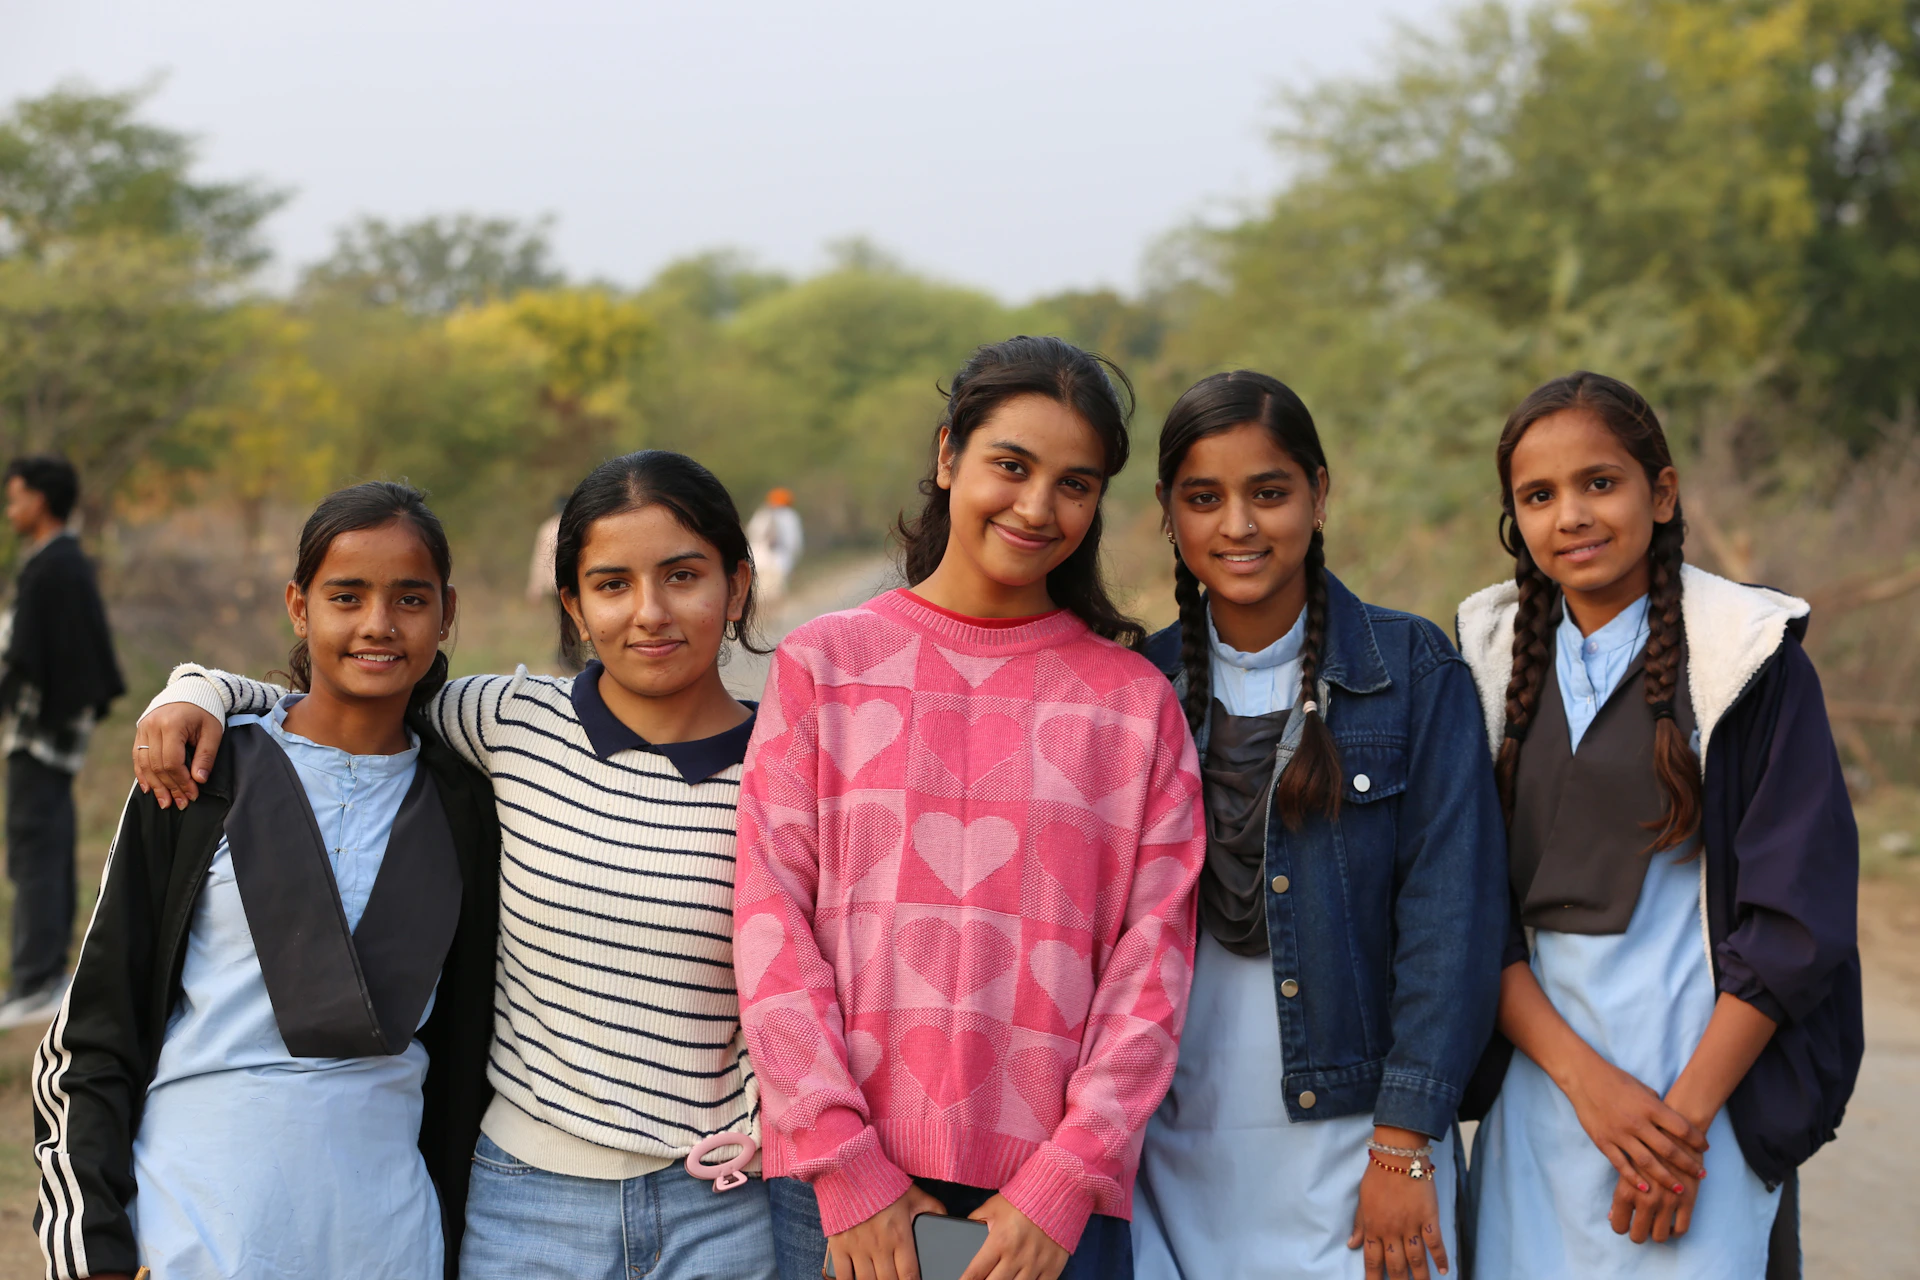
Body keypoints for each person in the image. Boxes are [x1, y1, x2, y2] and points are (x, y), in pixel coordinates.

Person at [132, 452, 780, 1280]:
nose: (649, 613)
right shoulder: (509, 722)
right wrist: (198, 691)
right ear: (574, 607)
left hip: (722, 1203)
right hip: (528, 1201)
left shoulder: (795, 760)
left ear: (739, 583)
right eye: (612, 584)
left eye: (683, 576)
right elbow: (348, 688)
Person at [734, 335, 1206, 1280]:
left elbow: (1153, 963)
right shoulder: (826, 664)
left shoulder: (1130, 703)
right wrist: (847, 1166)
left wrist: (1065, 1183)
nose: (1038, 507)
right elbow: (770, 920)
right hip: (845, 1204)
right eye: (1011, 466)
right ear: (949, 457)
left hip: (1047, 1223)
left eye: (1075, 484)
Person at [32, 481, 501, 1280]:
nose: (378, 624)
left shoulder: (469, 804)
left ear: (447, 612)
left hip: (386, 1240)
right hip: (188, 1227)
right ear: (299, 605)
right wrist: (96, 1251)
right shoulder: (204, 775)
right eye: (345, 596)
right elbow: (97, 1031)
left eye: (410, 598)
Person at [1457, 372, 1861, 1279]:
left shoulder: (1746, 657)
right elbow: (1468, 917)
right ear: (1515, 518)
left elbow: (1796, 922)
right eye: (1539, 495)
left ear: (1662, 492)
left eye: (1601, 482)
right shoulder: (1483, 664)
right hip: (1544, 1096)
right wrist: (1593, 1094)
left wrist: (1677, 1129)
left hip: (1704, 1097)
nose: (1572, 515)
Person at [1130, 371, 1506, 1280]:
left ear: (1319, 492)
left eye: (1269, 493)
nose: (1239, 527)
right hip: (1167, 1152)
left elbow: (1452, 924)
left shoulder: (1413, 671)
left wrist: (1405, 1142)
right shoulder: (1133, 690)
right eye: (1204, 498)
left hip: (1356, 1152)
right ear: (1169, 513)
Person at [0, 455, 124, 1030]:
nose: (11, 509)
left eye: (17, 497)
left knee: (34, 849)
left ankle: (36, 982)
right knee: (46, 843)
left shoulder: (52, 565)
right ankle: (45, 974)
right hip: (54, 732)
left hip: (40, 735)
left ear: (41, 501)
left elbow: (25, 656)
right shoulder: (64, 561)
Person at [746, 488, 803, 605]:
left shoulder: (762, 514)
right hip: (778, 563)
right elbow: (794, 543)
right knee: (776, 597)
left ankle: (765, 621)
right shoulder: (789, 516)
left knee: (760, 597)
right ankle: (775, 620)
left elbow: (752, 533)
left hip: (758, 561)